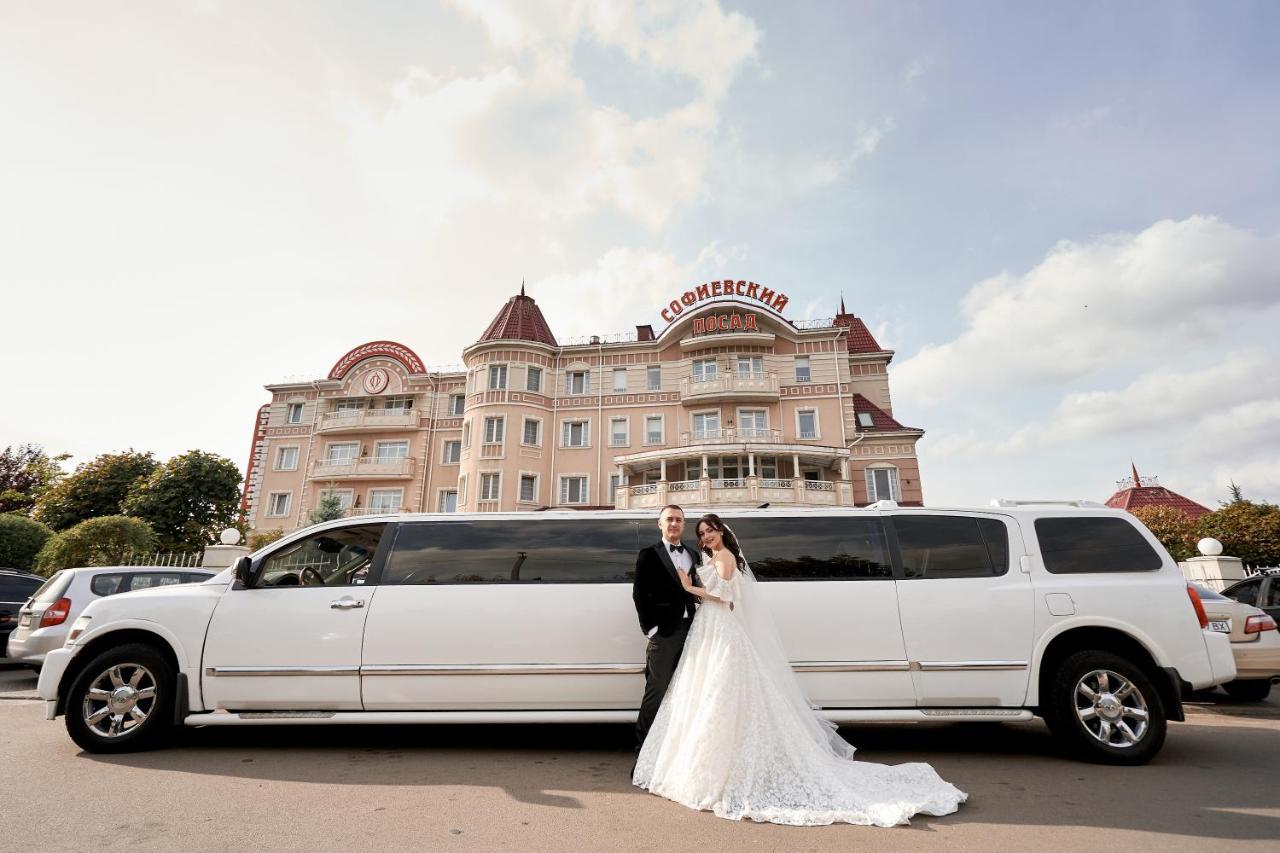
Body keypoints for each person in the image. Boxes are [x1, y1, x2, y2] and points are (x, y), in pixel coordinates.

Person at [632, 513, 968, 827]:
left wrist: (689, 587)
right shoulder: (698, 555)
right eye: (702, 532)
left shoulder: (724, 558)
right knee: (703, 690)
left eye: (710, 530)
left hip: (720, 627)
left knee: (721, 689)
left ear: (721, 532)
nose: (705, 535)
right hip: (705, 629)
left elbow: (726, 596)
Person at [631, 504, 704, 759]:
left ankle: (676, 750)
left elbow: (697, 590)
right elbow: (639, 594)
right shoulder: (648, 554)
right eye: (669, 520)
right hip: (664, 633)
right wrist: (650, 629)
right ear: (660, 524)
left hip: (693, 631)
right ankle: (643, 752)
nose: (674, 524)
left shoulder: (693, 554)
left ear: (684, 525)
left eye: (679, 520)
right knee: (657, 689)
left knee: (688, 688)